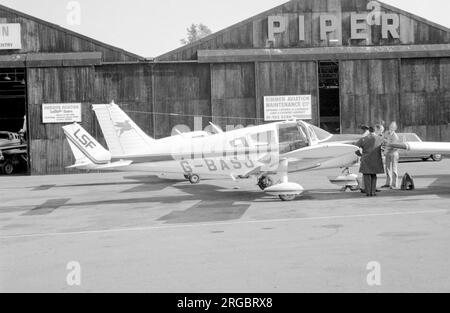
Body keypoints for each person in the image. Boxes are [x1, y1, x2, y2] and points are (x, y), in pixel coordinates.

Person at [355, 127, 385, 197]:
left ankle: (368, 192)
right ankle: (373, 192)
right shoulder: (380, 138)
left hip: (366, 159)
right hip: (376, 159)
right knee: (374, 175)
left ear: (369, 131)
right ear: (375, 131)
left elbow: (355, 147)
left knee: (366, 176)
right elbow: (385, 147)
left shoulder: (363, 139)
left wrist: (359, 154)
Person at [382, 122, 400, 189]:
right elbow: (383, 140)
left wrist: (386, 149)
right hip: (387, 152)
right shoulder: (386, 133)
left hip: (393, 153)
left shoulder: (395, 136)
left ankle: (394, 184)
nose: (391, 127)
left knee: (394, 169)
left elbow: (394, 146)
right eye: (390, 126)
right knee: (387, 168)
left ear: (395, 128)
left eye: (393, 127)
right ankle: (388, 183)